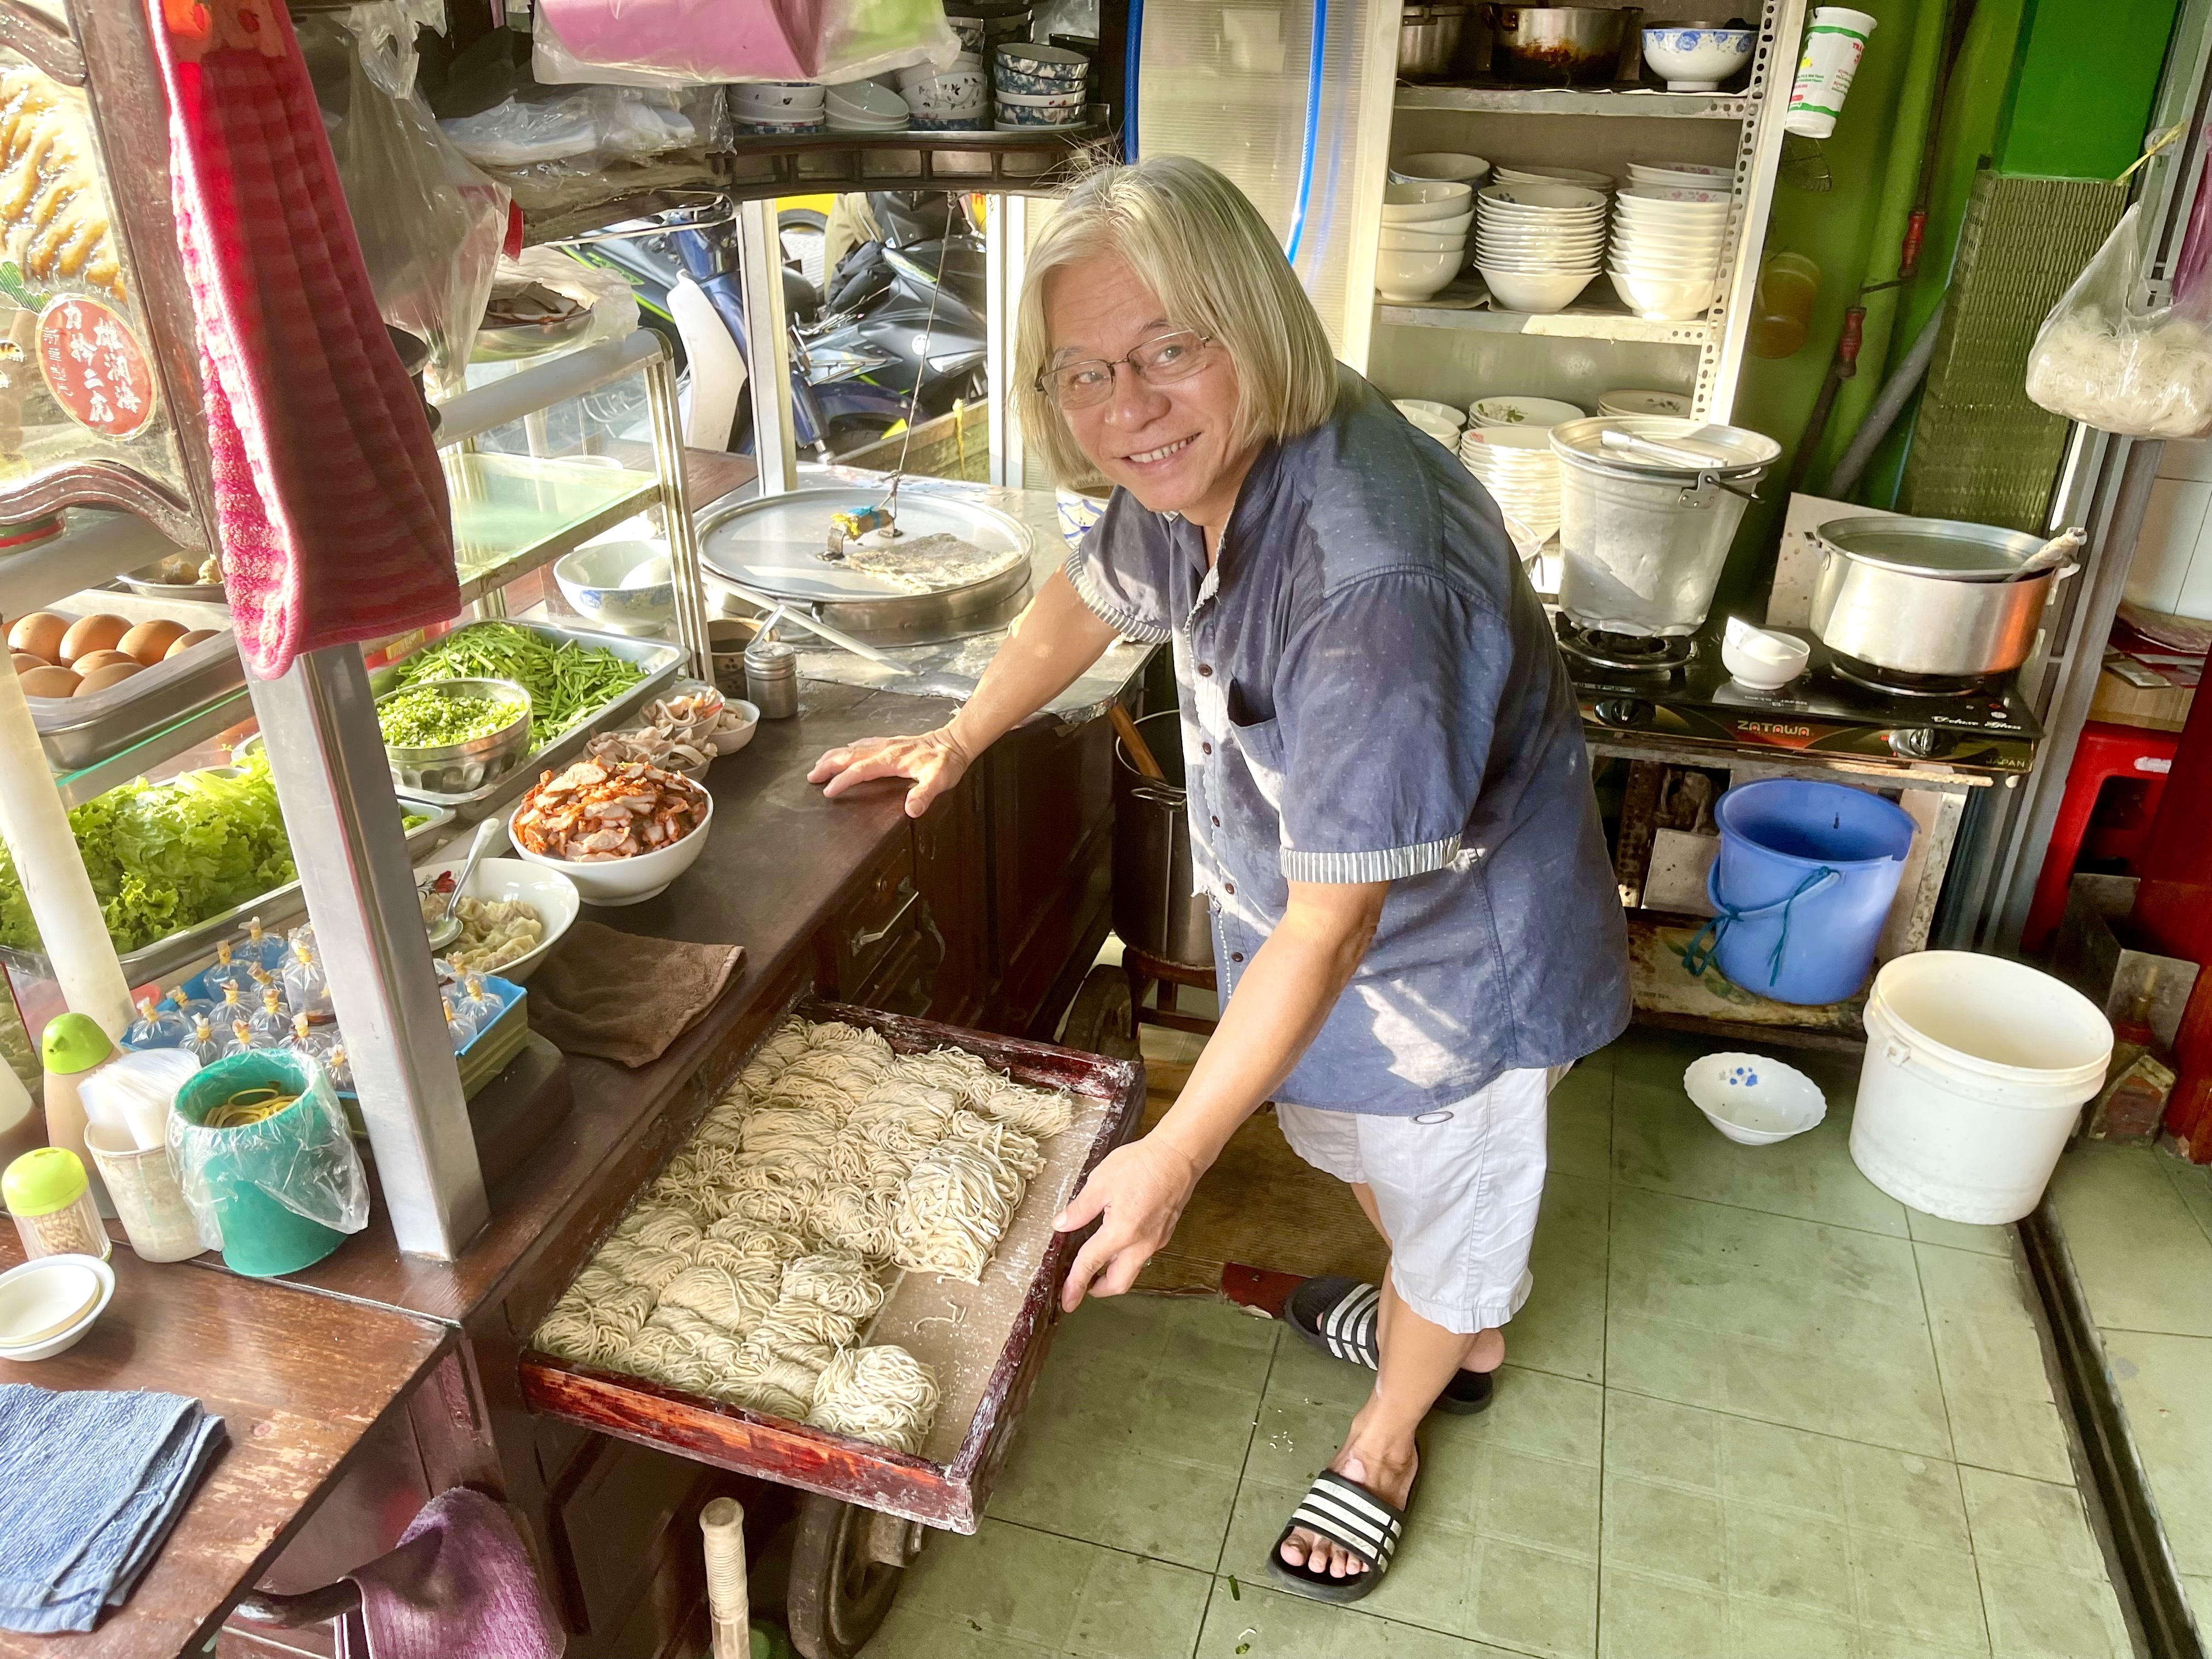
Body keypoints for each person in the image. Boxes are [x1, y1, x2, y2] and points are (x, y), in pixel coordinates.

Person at [808, 155, 1629, 1604]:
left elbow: (1342, 917)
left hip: (1453, 975)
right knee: (1381, 1182)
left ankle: (1391, 1432)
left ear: (1252, 325)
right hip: (1321, 951)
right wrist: (962, 730)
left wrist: (1177, 1157)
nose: (1125, 406)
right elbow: (1088, 593)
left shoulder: (1371, 582)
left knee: (1450, 1196)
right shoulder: (1191, 468)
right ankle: (1454, 1331)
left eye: (1166, 350)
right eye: (1082, 372)